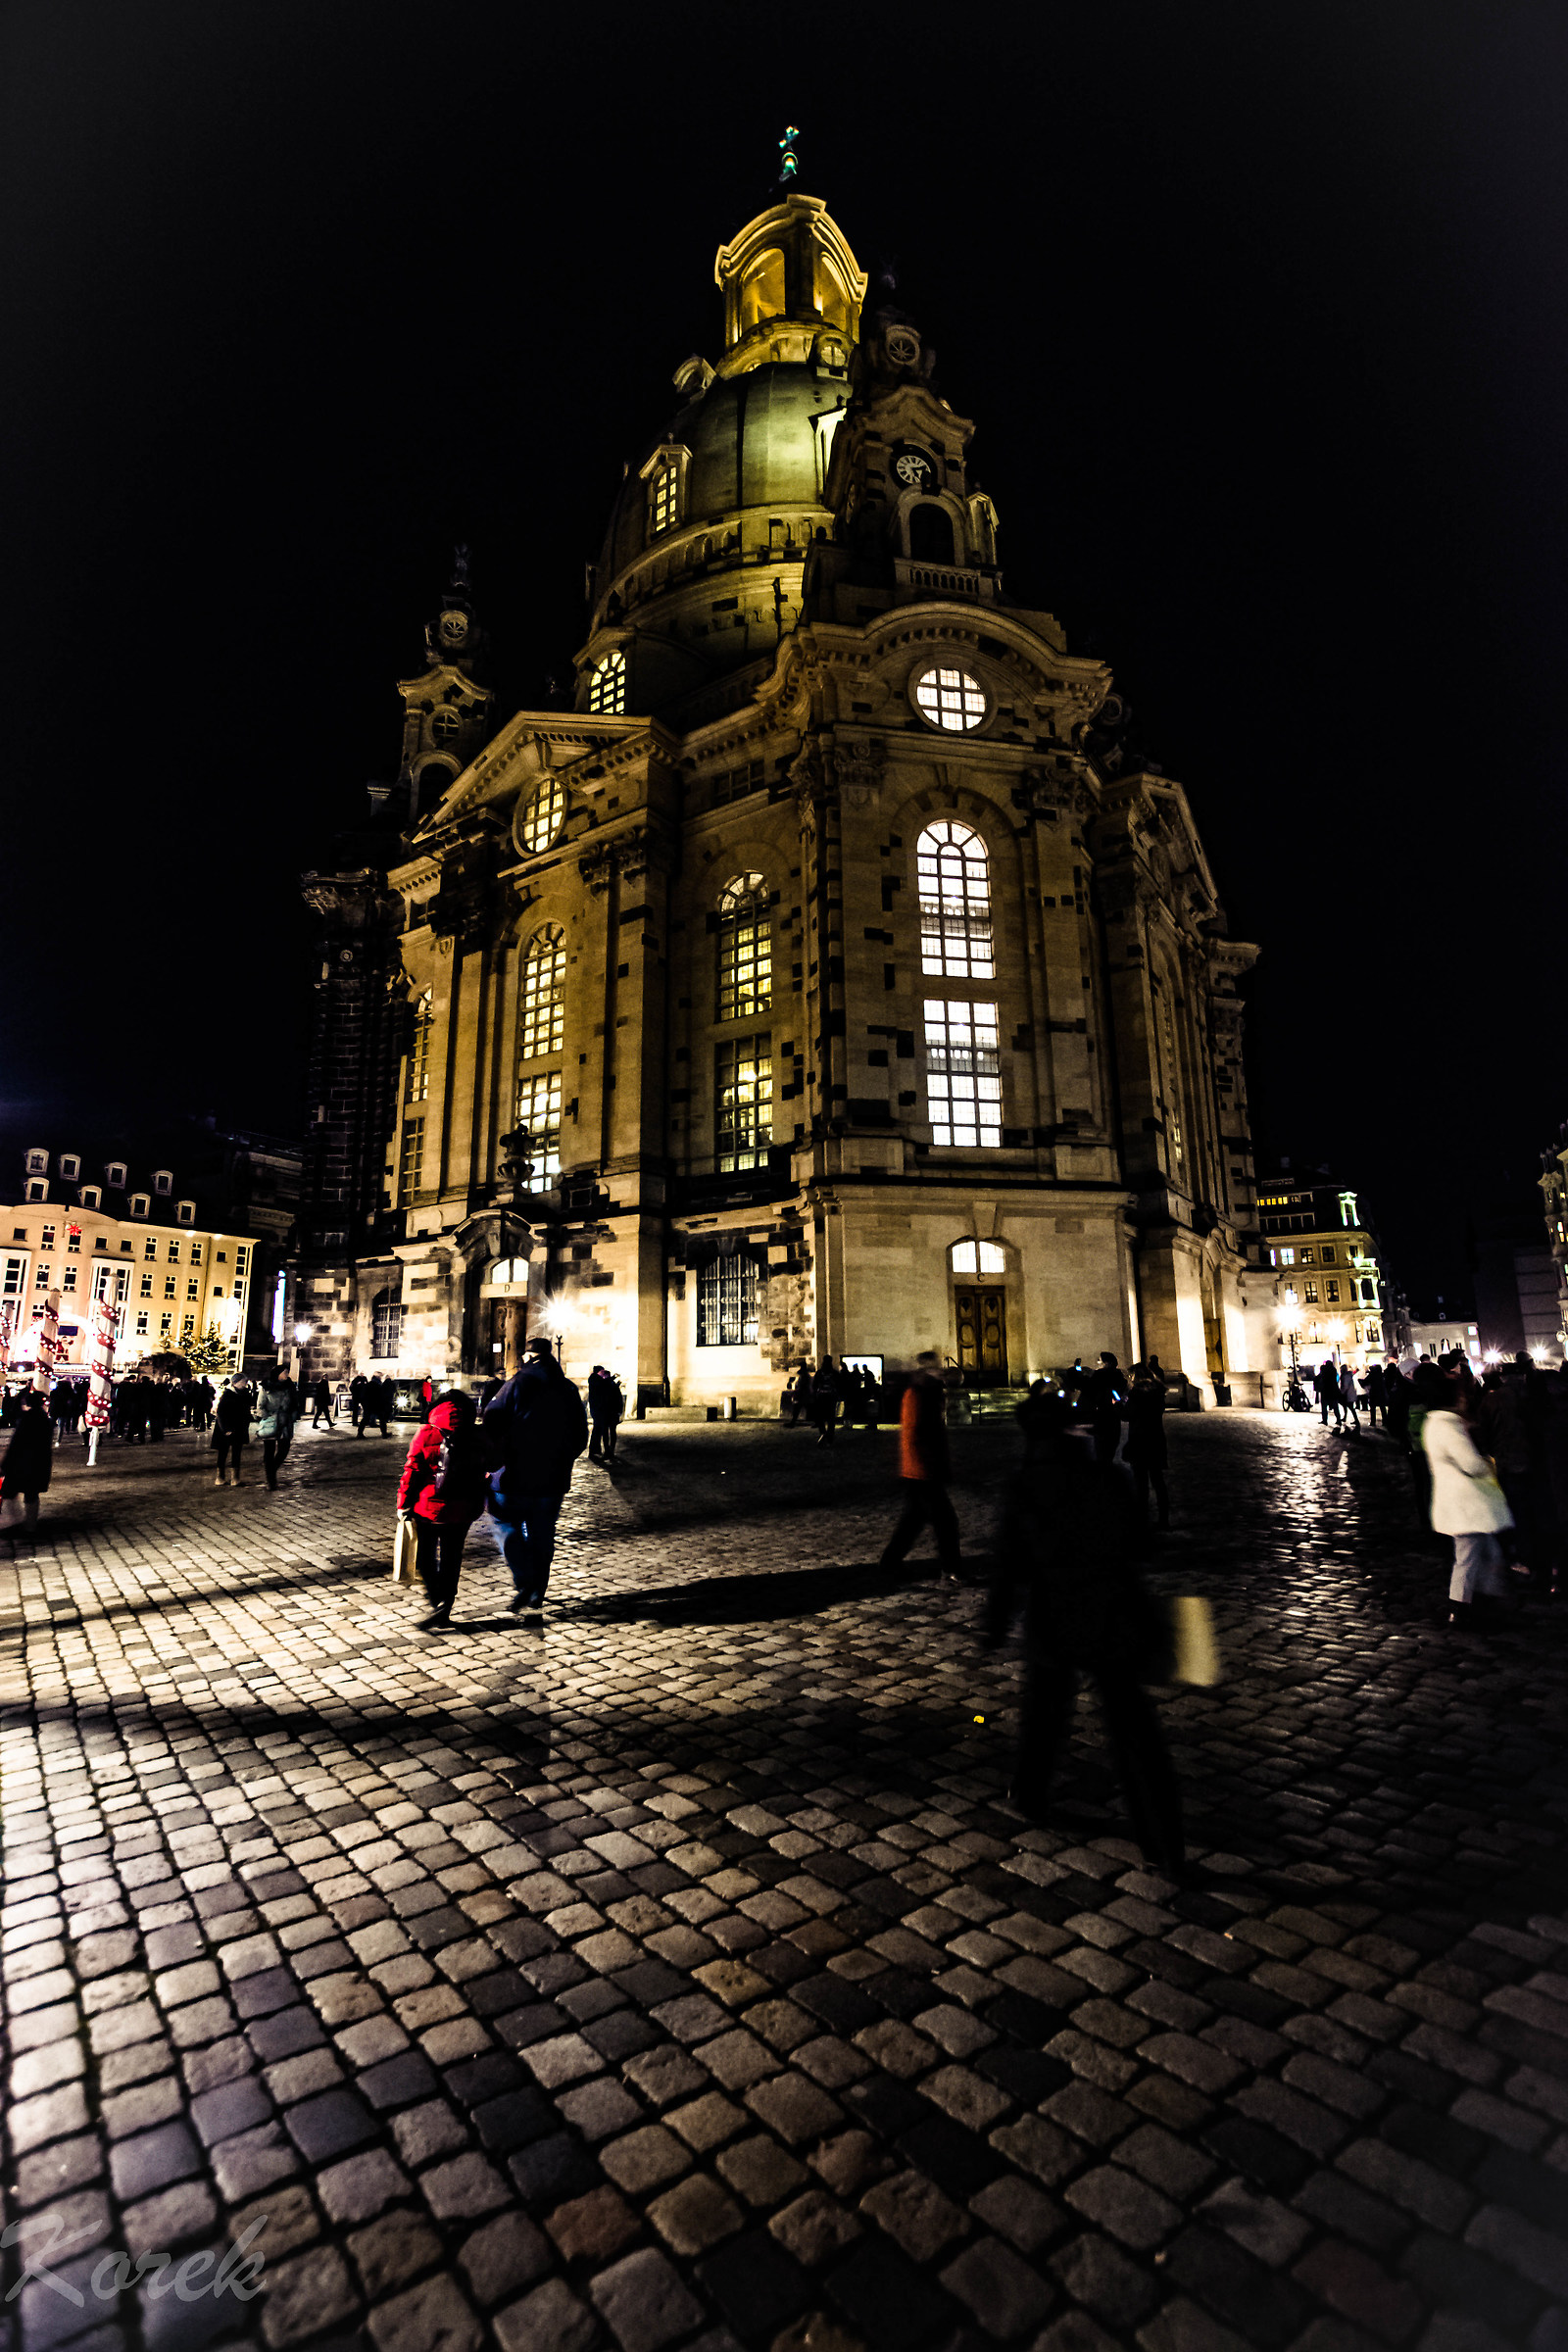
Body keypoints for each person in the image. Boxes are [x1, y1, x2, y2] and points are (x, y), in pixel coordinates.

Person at [985, 1388, 1184, 1873]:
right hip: (1112, 1612)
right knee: (1133, 1730)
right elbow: (1140, 1544)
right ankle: (1161, 1842)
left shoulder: (1025, 1484)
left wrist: (993, 1626)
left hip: (1054, 1615)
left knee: (1044, 1712)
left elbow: (1010, 1565)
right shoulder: (1106, 1476)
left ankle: (1030, 1794)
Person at [481, 1336, 588, 1616]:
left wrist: (494, 1461)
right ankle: (538, 1592)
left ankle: (525, 1580)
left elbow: (491, 1421)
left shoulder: (515, 1384)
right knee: (542, 1533)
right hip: (552, 1478)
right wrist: (562, 1460)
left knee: (504, 1523)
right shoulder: (567, 1388)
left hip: (513, 1475)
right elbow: (580, 1436)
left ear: (528, 1358)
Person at [1424, 1376, 1516, 1627]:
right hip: (1466, 1505)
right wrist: (1488, 1462)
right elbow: (1471, 1464)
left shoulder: (1435, 1423)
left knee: (1488, 1553)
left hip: (1467, 1505)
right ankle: (1460, 1607)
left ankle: (1489, 1599)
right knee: (1468, 1558)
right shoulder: (1448, 1425)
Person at [396, 1390, 489, 1629]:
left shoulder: (427, 1431)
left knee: (424, 1557)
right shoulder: (476, 1433)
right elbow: (491, 1464)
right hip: (464, 1508)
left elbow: (412, 1469)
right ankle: (446, 1604)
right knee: (452, 1556)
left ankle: (436, 1599)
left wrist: (403, 1503)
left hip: (429, 1507)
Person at [878, 1350, 961, 1579]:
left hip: (922, 1469)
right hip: (921, 1470)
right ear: (926, 1369)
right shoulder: (917, 1393)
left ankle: (889, 1562)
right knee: (946, 1521)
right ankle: (952, 1568)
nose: (940, 1369)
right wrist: (930, 1467)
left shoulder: (930, 1391)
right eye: (935, 1366)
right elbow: (914, 1435)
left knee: (912, 1521)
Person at [2, 1393, 54, 1544]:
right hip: (39, 1462)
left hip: (22, 1462)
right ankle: (30, 1525)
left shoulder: (27, 1419)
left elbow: (16, 1443)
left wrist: (6, 1463)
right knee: (31, 1493)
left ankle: (15, 1522)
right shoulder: (45, 1419)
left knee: (9, 1491)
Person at [1125, 1361, 1169, 1530]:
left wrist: (1117, 1406)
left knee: (1141, 1483)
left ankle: (1142, 1518)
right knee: (1158, 1481)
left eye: (1131, 1375)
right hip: (1156, 1438)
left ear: (1137, 1376)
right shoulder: (1158, 1392)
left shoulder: (1136, 1393)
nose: (1130, 1378)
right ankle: (1164, 1519)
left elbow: (1127, 1415)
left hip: (1139, 1440)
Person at [1077, 1351, 1126, 1463]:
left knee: (1101, 1442)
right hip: (1114, 1412)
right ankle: (1108, 1461)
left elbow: (1087, 1387)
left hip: (1101, 1412)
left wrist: (1078, 1371)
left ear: (1106, 1362)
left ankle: (1103, 1465)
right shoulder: (1119, 1375)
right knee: (1112, 1441)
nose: (1098, 1362)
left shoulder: (1099, 1375)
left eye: (1099, 1360)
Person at [254, 1371, 294, 1490]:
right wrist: (268, 1417)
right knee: (269, 1452)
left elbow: (294, 1402)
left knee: (284, 1449)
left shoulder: (289, 1386)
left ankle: (271, 1472)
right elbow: (260, 1406)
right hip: (271, 1421)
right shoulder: (266, 1387)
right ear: (278, 1374)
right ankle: (271, 1481)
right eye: (284, 1372)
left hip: (285, 1421)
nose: (287, 1375)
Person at [211, 1380, 252, 1487]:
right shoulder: (227, 1394)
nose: (245, 1384)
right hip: (225, 1429)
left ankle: (235, 1478)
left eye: (245, 1382)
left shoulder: (246, 1394)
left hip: (239, 1428)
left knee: (237, 1452)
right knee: (223, 1452)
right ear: (235, 1383)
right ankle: (220, 1477)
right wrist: (225, 1429)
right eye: (243, 1382)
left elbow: (246, 1411)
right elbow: (220, 1412)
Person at [587, 1365, 624, 1463]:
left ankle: (607, 1451)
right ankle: (606, 1451)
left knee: (605, 1431)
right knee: (605, 1431)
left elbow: (615, 1396)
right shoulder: (597, 1380)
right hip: (604, 1411)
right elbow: (617, 1397)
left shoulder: (601, 1382)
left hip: (605, 1412)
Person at [811, 1358, 840, 1446]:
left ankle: (823, 1433)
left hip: (821, 1397)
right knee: (831, 1418)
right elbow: (839, 1384)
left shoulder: (819, 1373)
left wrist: (816, 1394)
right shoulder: (835, 1373)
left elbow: (814, 1385)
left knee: (820, 1417)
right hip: (831, 1397)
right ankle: (830, 1436)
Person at [1313, 1359, 1341, 1427]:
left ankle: (1325, 1420)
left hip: (1325, 1391)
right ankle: (1338, 1419)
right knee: (1335, 1406)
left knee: (1324, 1407)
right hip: (1333, 1391)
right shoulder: (1333, 1370)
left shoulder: (1324, 1371)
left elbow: (1318, 1377)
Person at [1337, 1360, 1361, 1433]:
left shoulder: (1346, 1376)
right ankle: (1347, 1417)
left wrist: (1342, 1392)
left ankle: (1356, 1420)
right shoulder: (1347, 1375)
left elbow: (1345, 1386)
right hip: (1348, 1394)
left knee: (1350, 1407)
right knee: (1348, 1406)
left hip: (1347, 1394)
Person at [1364, 1361, 1386, 1431]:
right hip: (1381, 1392)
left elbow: (1365, 1381)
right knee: (1382, 1407)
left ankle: (1373, 1422)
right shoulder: (1381, 1375)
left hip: (1373, 1392)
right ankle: (1385, 1421)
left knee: (1372, 1408)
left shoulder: (1372, 1375)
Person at [349, 1373, 369, 1437]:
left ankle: (366, 1421)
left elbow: (367, 1386)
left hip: (363, 1397)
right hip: (356, 1397)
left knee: (366, 1408)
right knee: (355, 1409)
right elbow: (351, 1387)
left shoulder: (365, 1379)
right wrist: (355, 1393)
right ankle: (354, 1422)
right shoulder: (356, 1379)